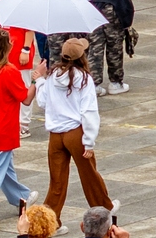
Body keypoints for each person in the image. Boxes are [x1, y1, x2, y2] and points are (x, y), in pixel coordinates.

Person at [37, 37, 114, 217]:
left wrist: (39, 81)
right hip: (75, 134)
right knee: (89, 176)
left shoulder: (52, 75)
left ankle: (49, 220)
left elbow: (42, 101)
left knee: (56, 182)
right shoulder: (85, 79)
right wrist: (89, 142)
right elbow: (89, 112)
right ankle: (104, 210)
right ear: (82, 57)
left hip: (55, 135)